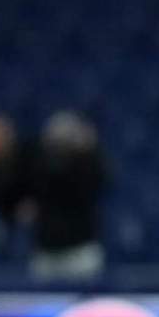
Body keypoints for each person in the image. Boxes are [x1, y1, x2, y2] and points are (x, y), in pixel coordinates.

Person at [30, 110, 107, 282]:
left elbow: (101, 180)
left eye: (66, 140)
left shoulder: (86, 165)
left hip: (80, 251)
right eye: (57, 140)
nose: (61, 145)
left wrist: (89, 150)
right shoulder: (40, 167)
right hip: (47, 252)